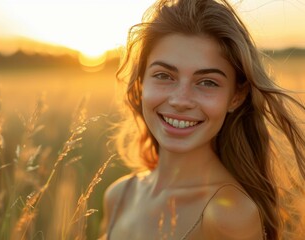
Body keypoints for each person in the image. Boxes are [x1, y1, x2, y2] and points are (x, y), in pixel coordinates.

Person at [100, 0, 305, 239]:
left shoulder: (229, 214)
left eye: (207, 82)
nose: (180, 100)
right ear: (141, 82)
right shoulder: (119, 195)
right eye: (164, 75)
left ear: (236, 96)